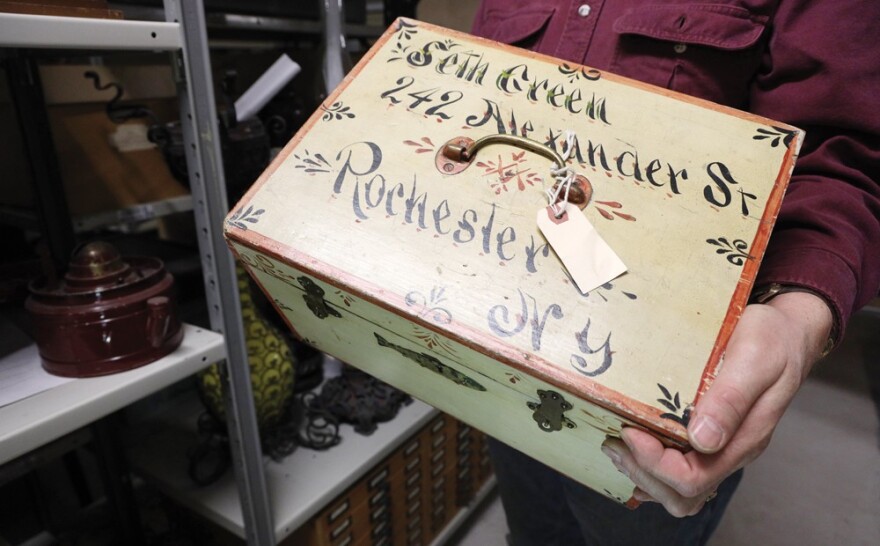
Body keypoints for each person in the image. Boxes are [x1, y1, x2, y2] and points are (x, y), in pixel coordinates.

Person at [470, 1, 880, 544]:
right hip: (500, 341)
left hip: (653, 389)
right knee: (534, 527)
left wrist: (797, 315)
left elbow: (841, 159)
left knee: (633, 526)